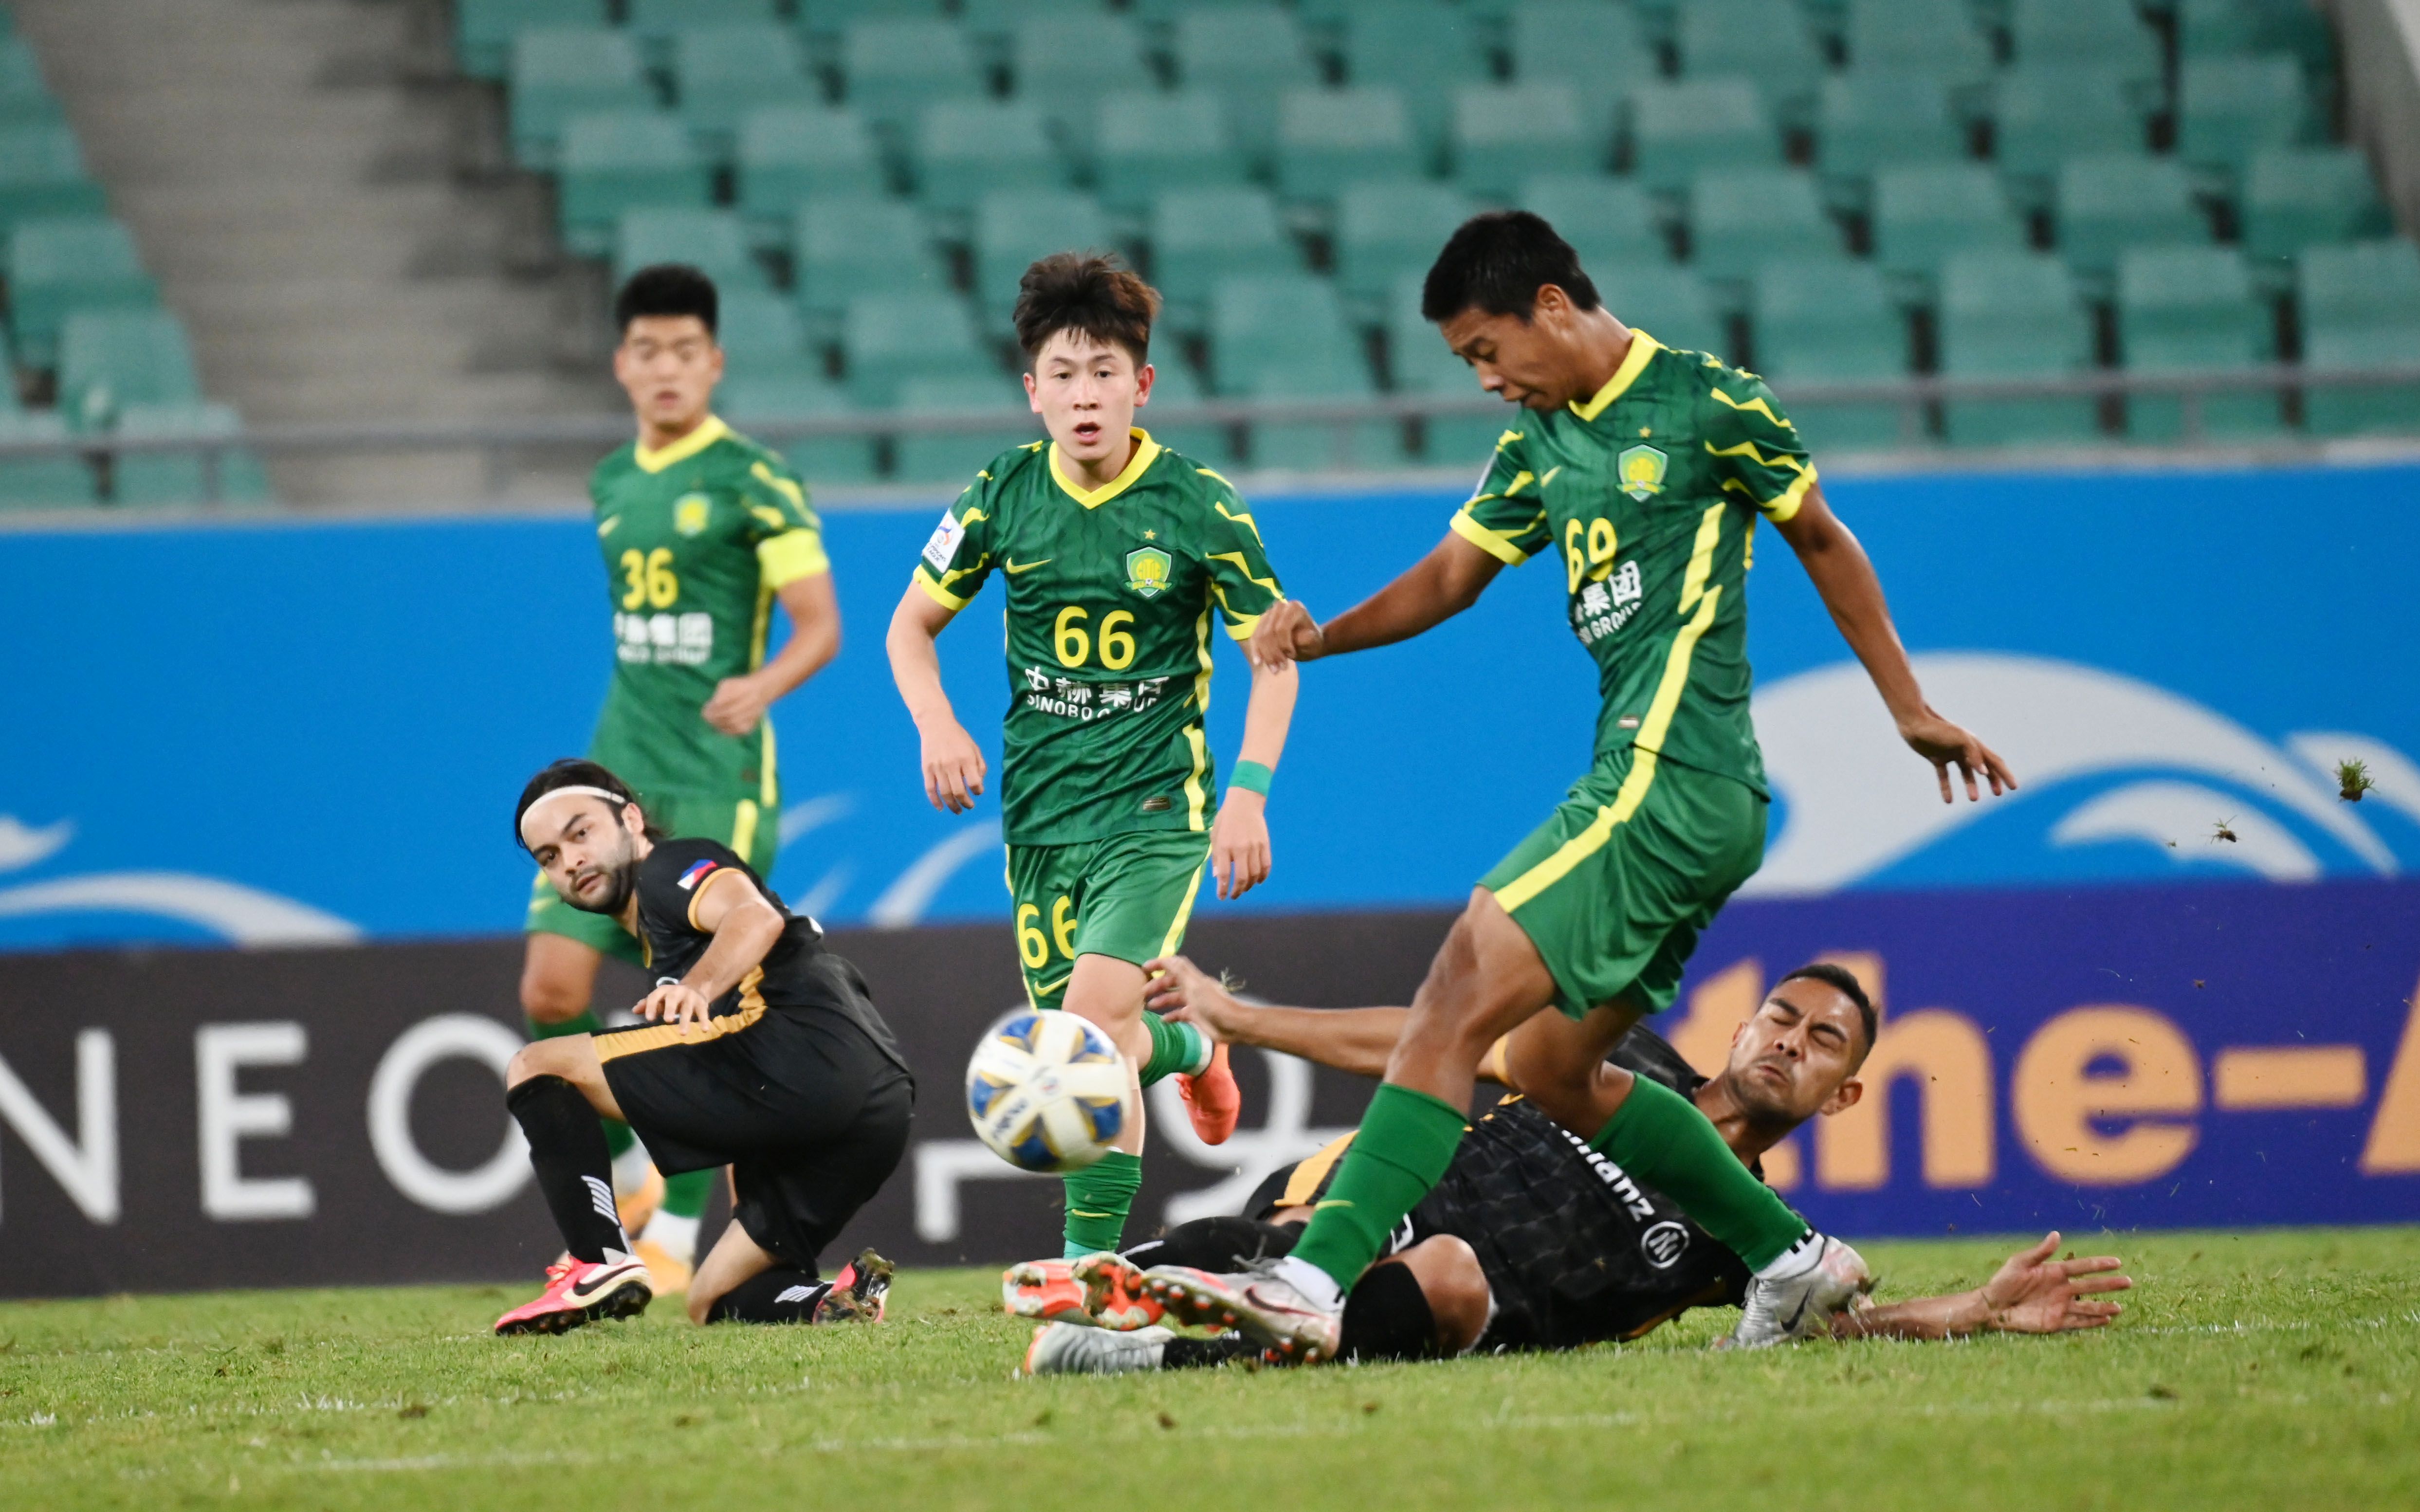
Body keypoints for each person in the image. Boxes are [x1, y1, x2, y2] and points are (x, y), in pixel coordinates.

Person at [1148, 211, 2020, 1358]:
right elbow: (1451, 577)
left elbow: (1819, 537)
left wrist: (1905, 704)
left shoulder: (1709, 403)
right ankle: (1791, 1256)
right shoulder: (1537, 445)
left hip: (1670, 774)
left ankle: (1310, 1278)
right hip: (1674, 795)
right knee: (1557, 1068)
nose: (1486, 378)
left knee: (1455, 989)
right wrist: (1320, 638)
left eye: (1485, 348)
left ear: (1551, 306)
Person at [1014, 958, 2129, 1373]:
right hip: (1389, 1197)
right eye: (1781, 1016)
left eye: (1822, 1040)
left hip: (1478, 1307)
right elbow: (1428, 1042)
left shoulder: (1754, 1233)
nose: (1790, 1041)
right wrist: (1241, 1018)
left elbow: (1834, 1323)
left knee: (1449, 1274)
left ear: (1840, 1093)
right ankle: (1099, 1285)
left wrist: (1974, 1309)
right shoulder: (1616, 1061)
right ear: (1739, 1026)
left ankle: (1134, 1356)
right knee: (1347, 1234)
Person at [884, 252, 1300, 1257]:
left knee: (1087, 1027)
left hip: (1155, 810)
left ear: (1140, 385)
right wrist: (937, 723)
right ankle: (1192, 1043)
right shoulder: (999, 494)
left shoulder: (1199, 505)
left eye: (1104, 372)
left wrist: (1247, 795)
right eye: (1063, 375)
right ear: (1032, 391)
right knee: (1081, 1050)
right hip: (1039, 815)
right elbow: (908, 627)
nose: (1084, 395)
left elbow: (1274, 659)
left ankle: (1088, 1271)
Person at [519, 264, 843, 1293]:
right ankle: (632, 1182)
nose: (666, 369)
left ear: (715, 363)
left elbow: (820, 624)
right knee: (550, 986)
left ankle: (673, 1232)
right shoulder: (612, 482)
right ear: (623, 364)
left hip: (716, 775)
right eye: (648, 351)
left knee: (709, 999)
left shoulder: (755, 478)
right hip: (617, 768)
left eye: (685, 352)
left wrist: (764, 684)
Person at [494, 760, 913, 1336]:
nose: (570, 861)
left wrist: (697, 985)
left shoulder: (667, 867)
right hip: (878, 1105)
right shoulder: (661, 930)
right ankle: (835, 1300)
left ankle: (599, 1260)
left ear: (631, 818)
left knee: (537, 1066)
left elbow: (752, 916)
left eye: (581, 832)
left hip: (802, 1056)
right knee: (715, 1295)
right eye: (549, 856)